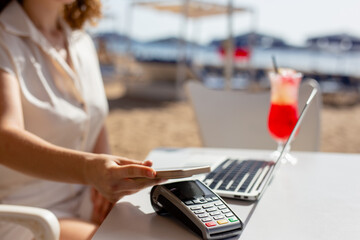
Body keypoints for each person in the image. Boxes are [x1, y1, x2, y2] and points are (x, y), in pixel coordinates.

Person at [0, 0, 164, 239]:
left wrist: (105, 184)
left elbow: (93, 115)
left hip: (85, 201)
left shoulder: (81, 40)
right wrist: (89, 169)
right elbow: (5, 139)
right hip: (25, 213)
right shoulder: (5, 38)